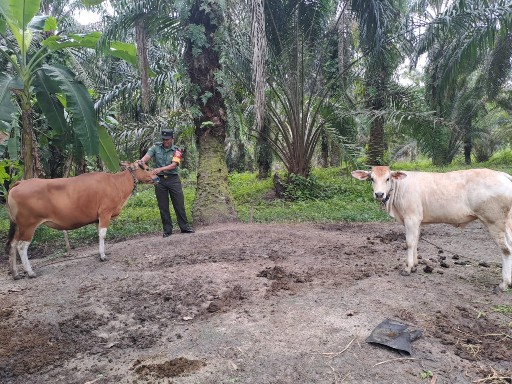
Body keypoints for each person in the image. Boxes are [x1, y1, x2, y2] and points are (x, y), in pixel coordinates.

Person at [139, 129, 195, 237]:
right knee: (163, 206)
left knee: (179, 204)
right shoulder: (155, 147)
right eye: (164, 140)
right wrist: (141, 162)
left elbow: (174, 165)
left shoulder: (177, 150)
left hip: (173, 179)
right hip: (159, 181)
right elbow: (147, 157)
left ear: (172, 139)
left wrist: (160, 169)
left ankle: (185, 227)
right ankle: (167, 230)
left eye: (168, 140)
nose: (166, 142)